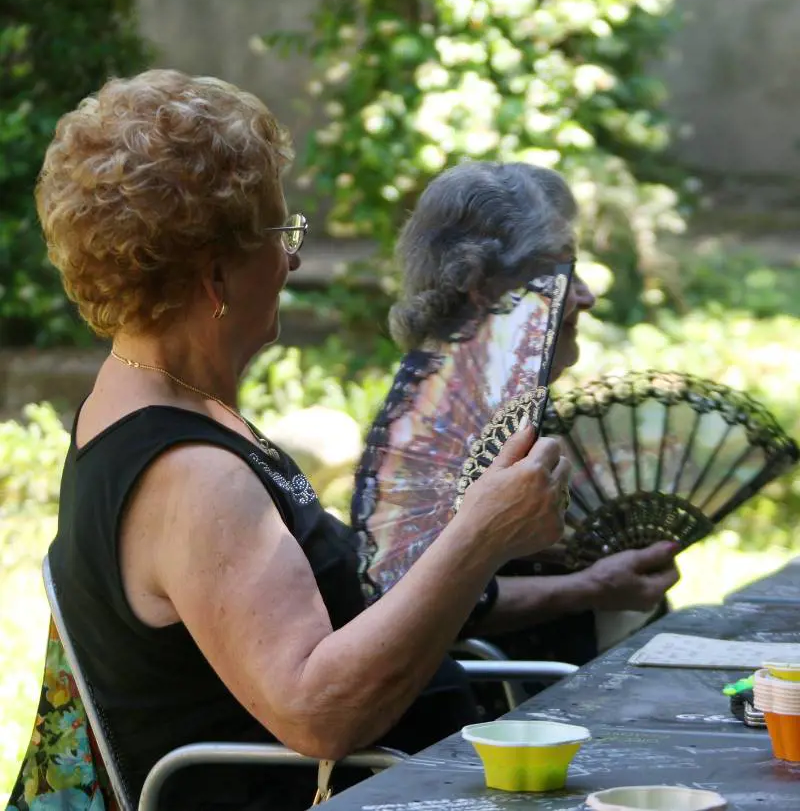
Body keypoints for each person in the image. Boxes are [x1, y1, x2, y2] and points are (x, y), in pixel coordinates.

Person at [37, 70, 572, 811]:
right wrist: (481, 533)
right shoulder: (190, 476)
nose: (290, 261)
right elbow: (320, 715)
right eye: (281, 235)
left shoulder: (142, 403)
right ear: (216, 275)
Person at [352, 162, 680, 675]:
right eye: (561, 275)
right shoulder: (437, 420)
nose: (587, 296)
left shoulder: (507, 396)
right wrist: (591, 587)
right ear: (483, 288)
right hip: (510, 696)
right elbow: (406, 593)